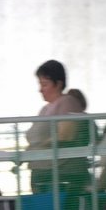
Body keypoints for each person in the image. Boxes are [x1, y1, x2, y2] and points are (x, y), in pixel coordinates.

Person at [25, 60, 91, 196]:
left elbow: (66, 135)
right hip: (43, 173)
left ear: (58, 84)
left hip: (61, 174)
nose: (40, 89)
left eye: (44, 84)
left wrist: (36, 148)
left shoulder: (67, 102)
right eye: (40, 84)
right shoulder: (44, 109)